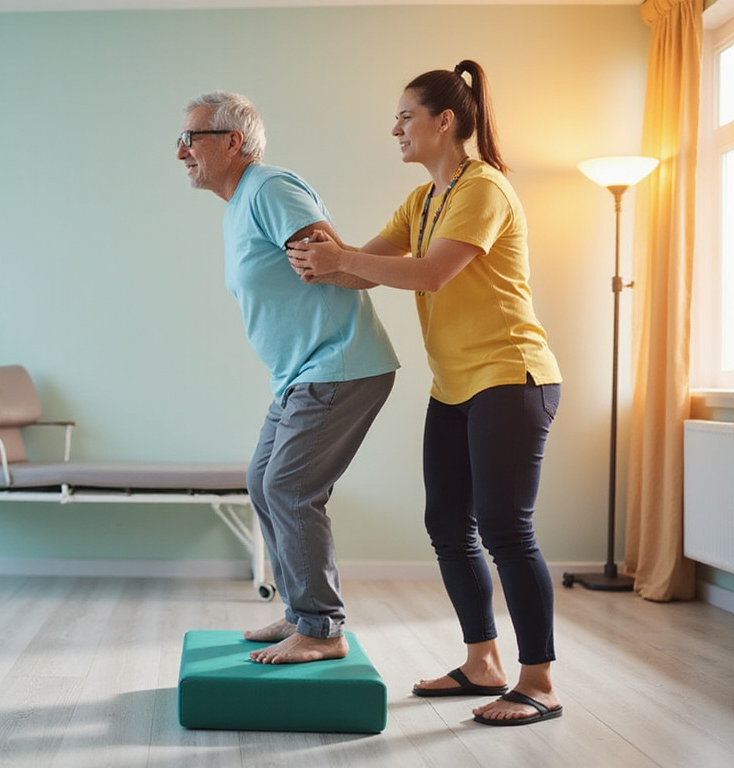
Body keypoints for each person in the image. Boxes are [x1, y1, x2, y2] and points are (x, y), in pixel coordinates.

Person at [287, 61, 564, 725]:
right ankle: (482, 662)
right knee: (446, 524)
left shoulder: (484, 188)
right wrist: (320, 255)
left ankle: (540, 681)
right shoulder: (422, 201)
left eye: (405, 116)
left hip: (511, 376)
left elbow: (432, 274)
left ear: (445, 122)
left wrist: (344, 259)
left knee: (504, 527)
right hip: (456, 384)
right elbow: (366, 271)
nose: (395, 129)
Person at [178, 91, 399, 664]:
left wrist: (366, 267)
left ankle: (323, 629)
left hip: (340, 364)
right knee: (263, 483)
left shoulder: (270, 188)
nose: (181, 152)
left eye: (191, 138)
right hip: (300, 375)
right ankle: (303, 613)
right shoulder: (239, 205)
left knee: (291, 489)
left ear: (232, 141)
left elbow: (339, 265)